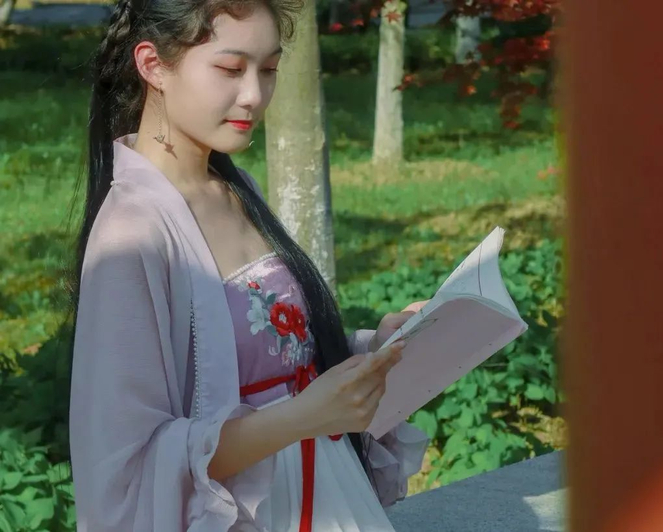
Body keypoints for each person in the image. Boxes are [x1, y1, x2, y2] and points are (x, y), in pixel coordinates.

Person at [67, 0, 430, 530]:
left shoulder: (237, 190)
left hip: (325, 489)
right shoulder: (132, 232)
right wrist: (303, 417)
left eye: (269, 69)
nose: (254, 95)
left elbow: (275, 368)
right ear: (153, 65)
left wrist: (372, 354)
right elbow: (131, 462)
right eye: (231, 68)